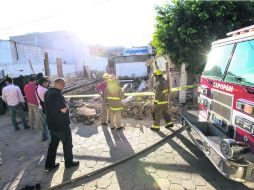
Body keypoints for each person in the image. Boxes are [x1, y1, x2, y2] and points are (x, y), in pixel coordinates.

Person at [44, 78, 79, 170]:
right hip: (61, 125)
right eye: (63, 86)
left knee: (53, 145)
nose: (63, 88)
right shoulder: (56, 94)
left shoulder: (47, 92)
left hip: (52, 125)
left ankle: (49, 164)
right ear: (59, 84)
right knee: (67, 144)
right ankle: (69, 163)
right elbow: (63, 109)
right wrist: (67, 104)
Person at [35, 77, 49, 141]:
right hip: (46, 109)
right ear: (43, 83)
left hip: (40, 108)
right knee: (50, 123)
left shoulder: (37, 88)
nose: (48, 83)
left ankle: (44, 136)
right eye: (47, 82)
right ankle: (53, 136)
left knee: (43, 124)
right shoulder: (45, 90)